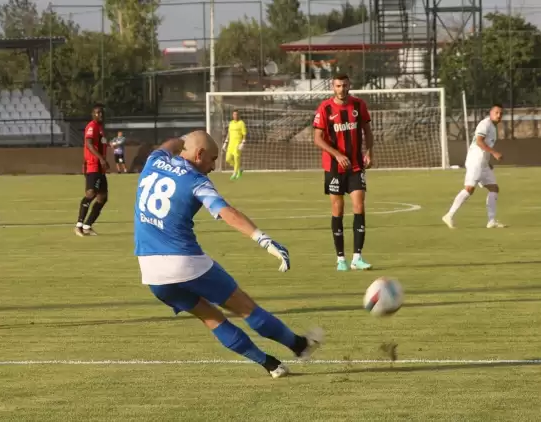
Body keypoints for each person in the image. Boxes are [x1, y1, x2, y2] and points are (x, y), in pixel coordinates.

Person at [134, 130, 323, 378]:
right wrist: (264, 240)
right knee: (246, 308)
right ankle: (299, 346)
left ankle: (270, 364)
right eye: (212, 159)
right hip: (185, 262)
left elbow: (170, 143)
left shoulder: (154, 161)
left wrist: (183, 140)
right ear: (199, 154)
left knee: (210, 318)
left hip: (151, 272)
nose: (213, 166)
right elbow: (227, 212)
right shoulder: (196, 181)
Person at [313, 73, 374, 271]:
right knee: (337, 210)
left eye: (345, 85)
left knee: (359, 205)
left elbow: (367, 131)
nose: (342, 89)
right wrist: (337, 155)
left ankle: (357, 257)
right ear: (333, 87)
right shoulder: (325, 108)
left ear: (349, 85)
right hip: (333, 167)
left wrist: (370, 152)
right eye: (338, 86)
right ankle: (340, 259)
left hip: (356, 165)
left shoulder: (359, 105)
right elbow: (317, 138)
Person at [442, 104, 506, 228]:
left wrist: (488, 162)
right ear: (491, 113)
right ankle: (449, 215)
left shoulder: (493, 127)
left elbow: (485, 146)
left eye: (501, 113)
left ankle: (491, 221)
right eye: (496, 113)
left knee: (494, 188)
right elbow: (479, 141)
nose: (499, 115)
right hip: (475, 161)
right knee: (469, 189)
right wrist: (494, 153)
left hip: (483, 163)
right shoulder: (485, 124)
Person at [75, 103, 108, 237]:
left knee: (102, 197)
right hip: (93, 166)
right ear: (93, 114)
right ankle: (78, 226)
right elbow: (88, 144)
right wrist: (101, 158)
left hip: (100, 168)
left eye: (101, 113)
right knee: (91, 194)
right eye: (97, 112)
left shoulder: (100, 128)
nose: (99, 115)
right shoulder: (92, 126)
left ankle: (88, 226)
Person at [222, 110, 247, 180]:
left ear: (238, 115)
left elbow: (244, 133)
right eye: (234, 114)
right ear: (232, 115)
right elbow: (229, 133)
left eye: (236, 114)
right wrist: (225, 142)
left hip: (237, 143)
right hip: (230, 144)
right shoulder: (231, 123)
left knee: (236, 158)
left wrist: (243, 142)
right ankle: (239, 169)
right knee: (228, 159)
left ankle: (235, 173)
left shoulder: (241, 123)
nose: (235, 116)